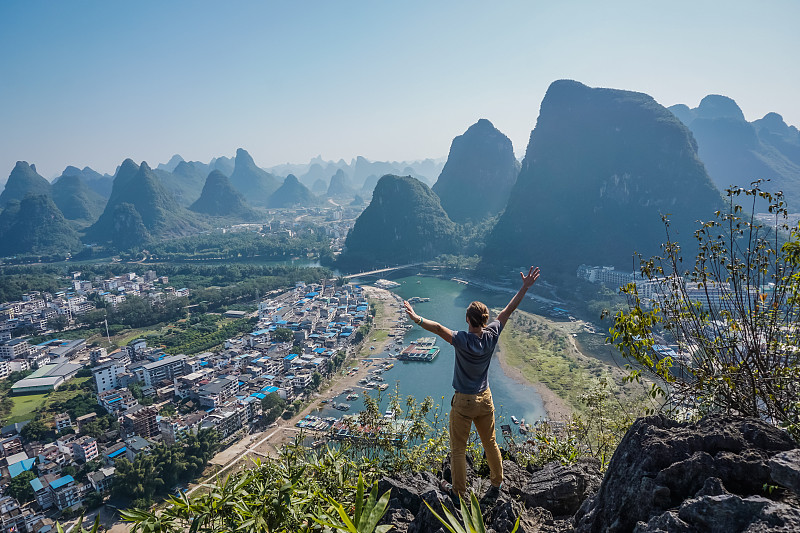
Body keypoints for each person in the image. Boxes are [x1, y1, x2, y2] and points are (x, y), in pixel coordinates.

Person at [403, 266, 540, 501]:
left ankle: (458, 492)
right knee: (490, 443)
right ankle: (496, 484)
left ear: (468, 319)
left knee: (458, 449)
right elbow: (508, 310)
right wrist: (524, 287)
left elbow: (436, 328)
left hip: (464, 401)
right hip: (485, 398)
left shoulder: (461, 339)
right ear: (485, 320)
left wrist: (416, 317)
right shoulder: (492, 334)